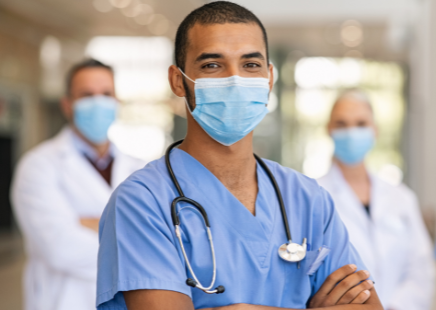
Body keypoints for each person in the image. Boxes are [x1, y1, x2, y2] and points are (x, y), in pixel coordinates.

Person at [96, 2, 383, 310]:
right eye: (212, 65)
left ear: (269, 79)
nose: (235, 80)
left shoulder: (307, 199)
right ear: (178, 81)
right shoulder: (143, 202)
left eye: (250, 65)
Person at [11, 59, 145, 310]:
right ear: (67, 104)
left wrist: (93, 223)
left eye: (106, 94)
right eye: (87, 95)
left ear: (117, 102)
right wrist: (132, 231)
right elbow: (61, 248)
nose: (98, 103)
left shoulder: (140, 168)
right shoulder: (38, 166)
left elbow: (167, 238)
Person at [317, 90, 435, 310]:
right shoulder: (313, 196)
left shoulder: (401, 198)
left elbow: (421, 268)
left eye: (361, 123)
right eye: (342, 124)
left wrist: (393, 307)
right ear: (329, 129)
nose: (352, 132)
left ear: (375, 130)